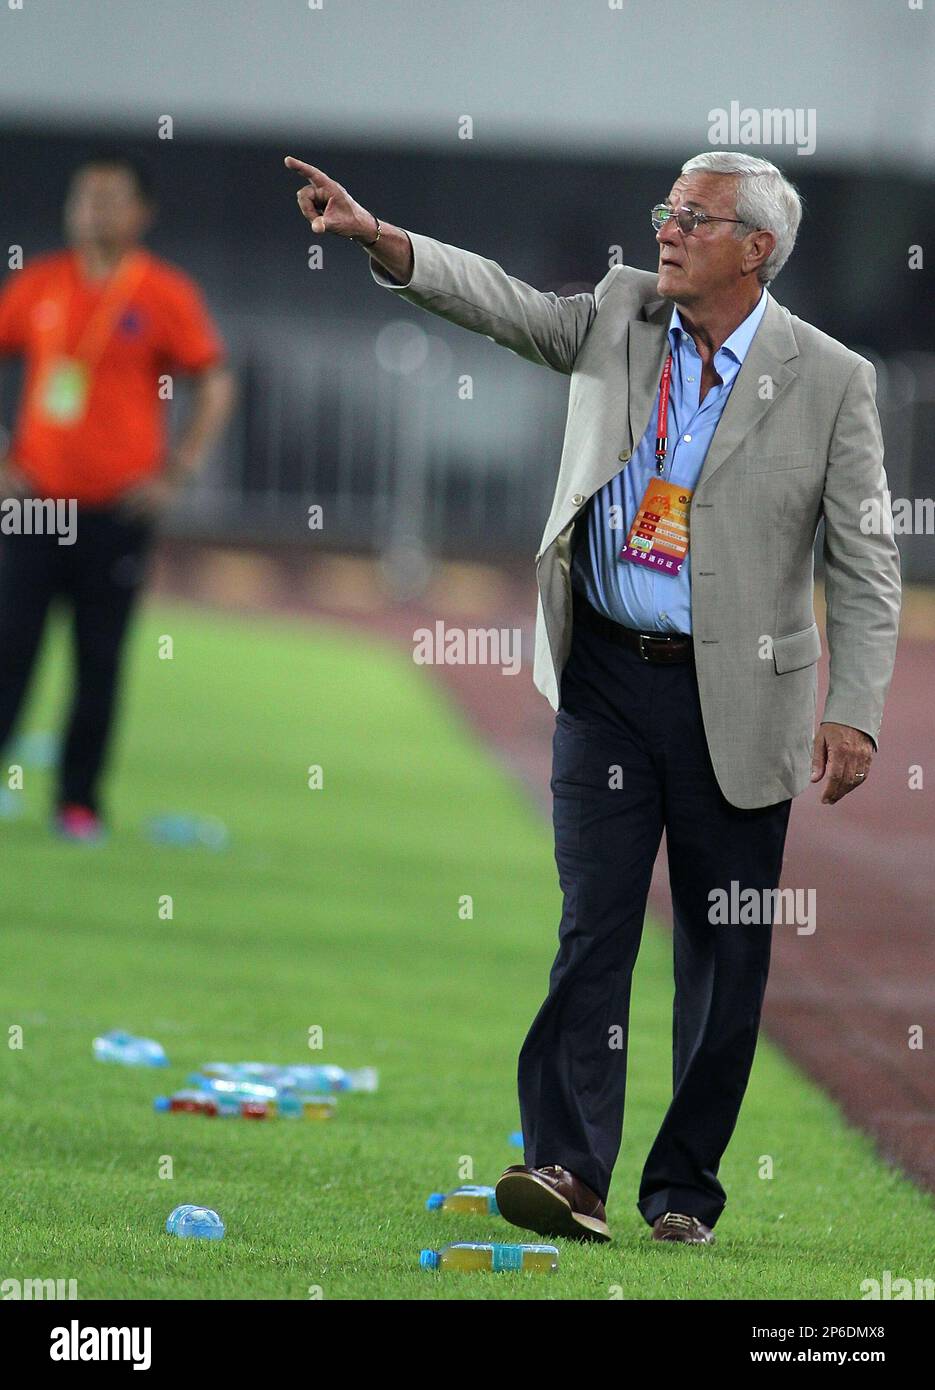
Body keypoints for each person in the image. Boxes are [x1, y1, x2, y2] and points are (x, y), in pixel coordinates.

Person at [285, 150, 901, 1245]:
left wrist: (852, 704)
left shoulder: (830, 379)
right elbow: (507, 308)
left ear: (755, 248)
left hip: (740, 694)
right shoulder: (621, 311)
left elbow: (862, 560)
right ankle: (568, 1169)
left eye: (693, 217)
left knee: (723, 948)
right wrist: (385, 241)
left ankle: (683, 1190)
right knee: (592, 928)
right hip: (606, 677)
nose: (664, 228)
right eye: (665, 209)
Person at [0, 153, 235, 840]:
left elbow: (214, 381)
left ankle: (79, 802)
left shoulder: (163, 293)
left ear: (140, 214)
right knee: (10, 648)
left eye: (109, 198)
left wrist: (178, 469)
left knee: (98, 657)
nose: (93, 210)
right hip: (34, 501)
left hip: (116, 510)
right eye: (84, 197)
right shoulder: (40, 283)